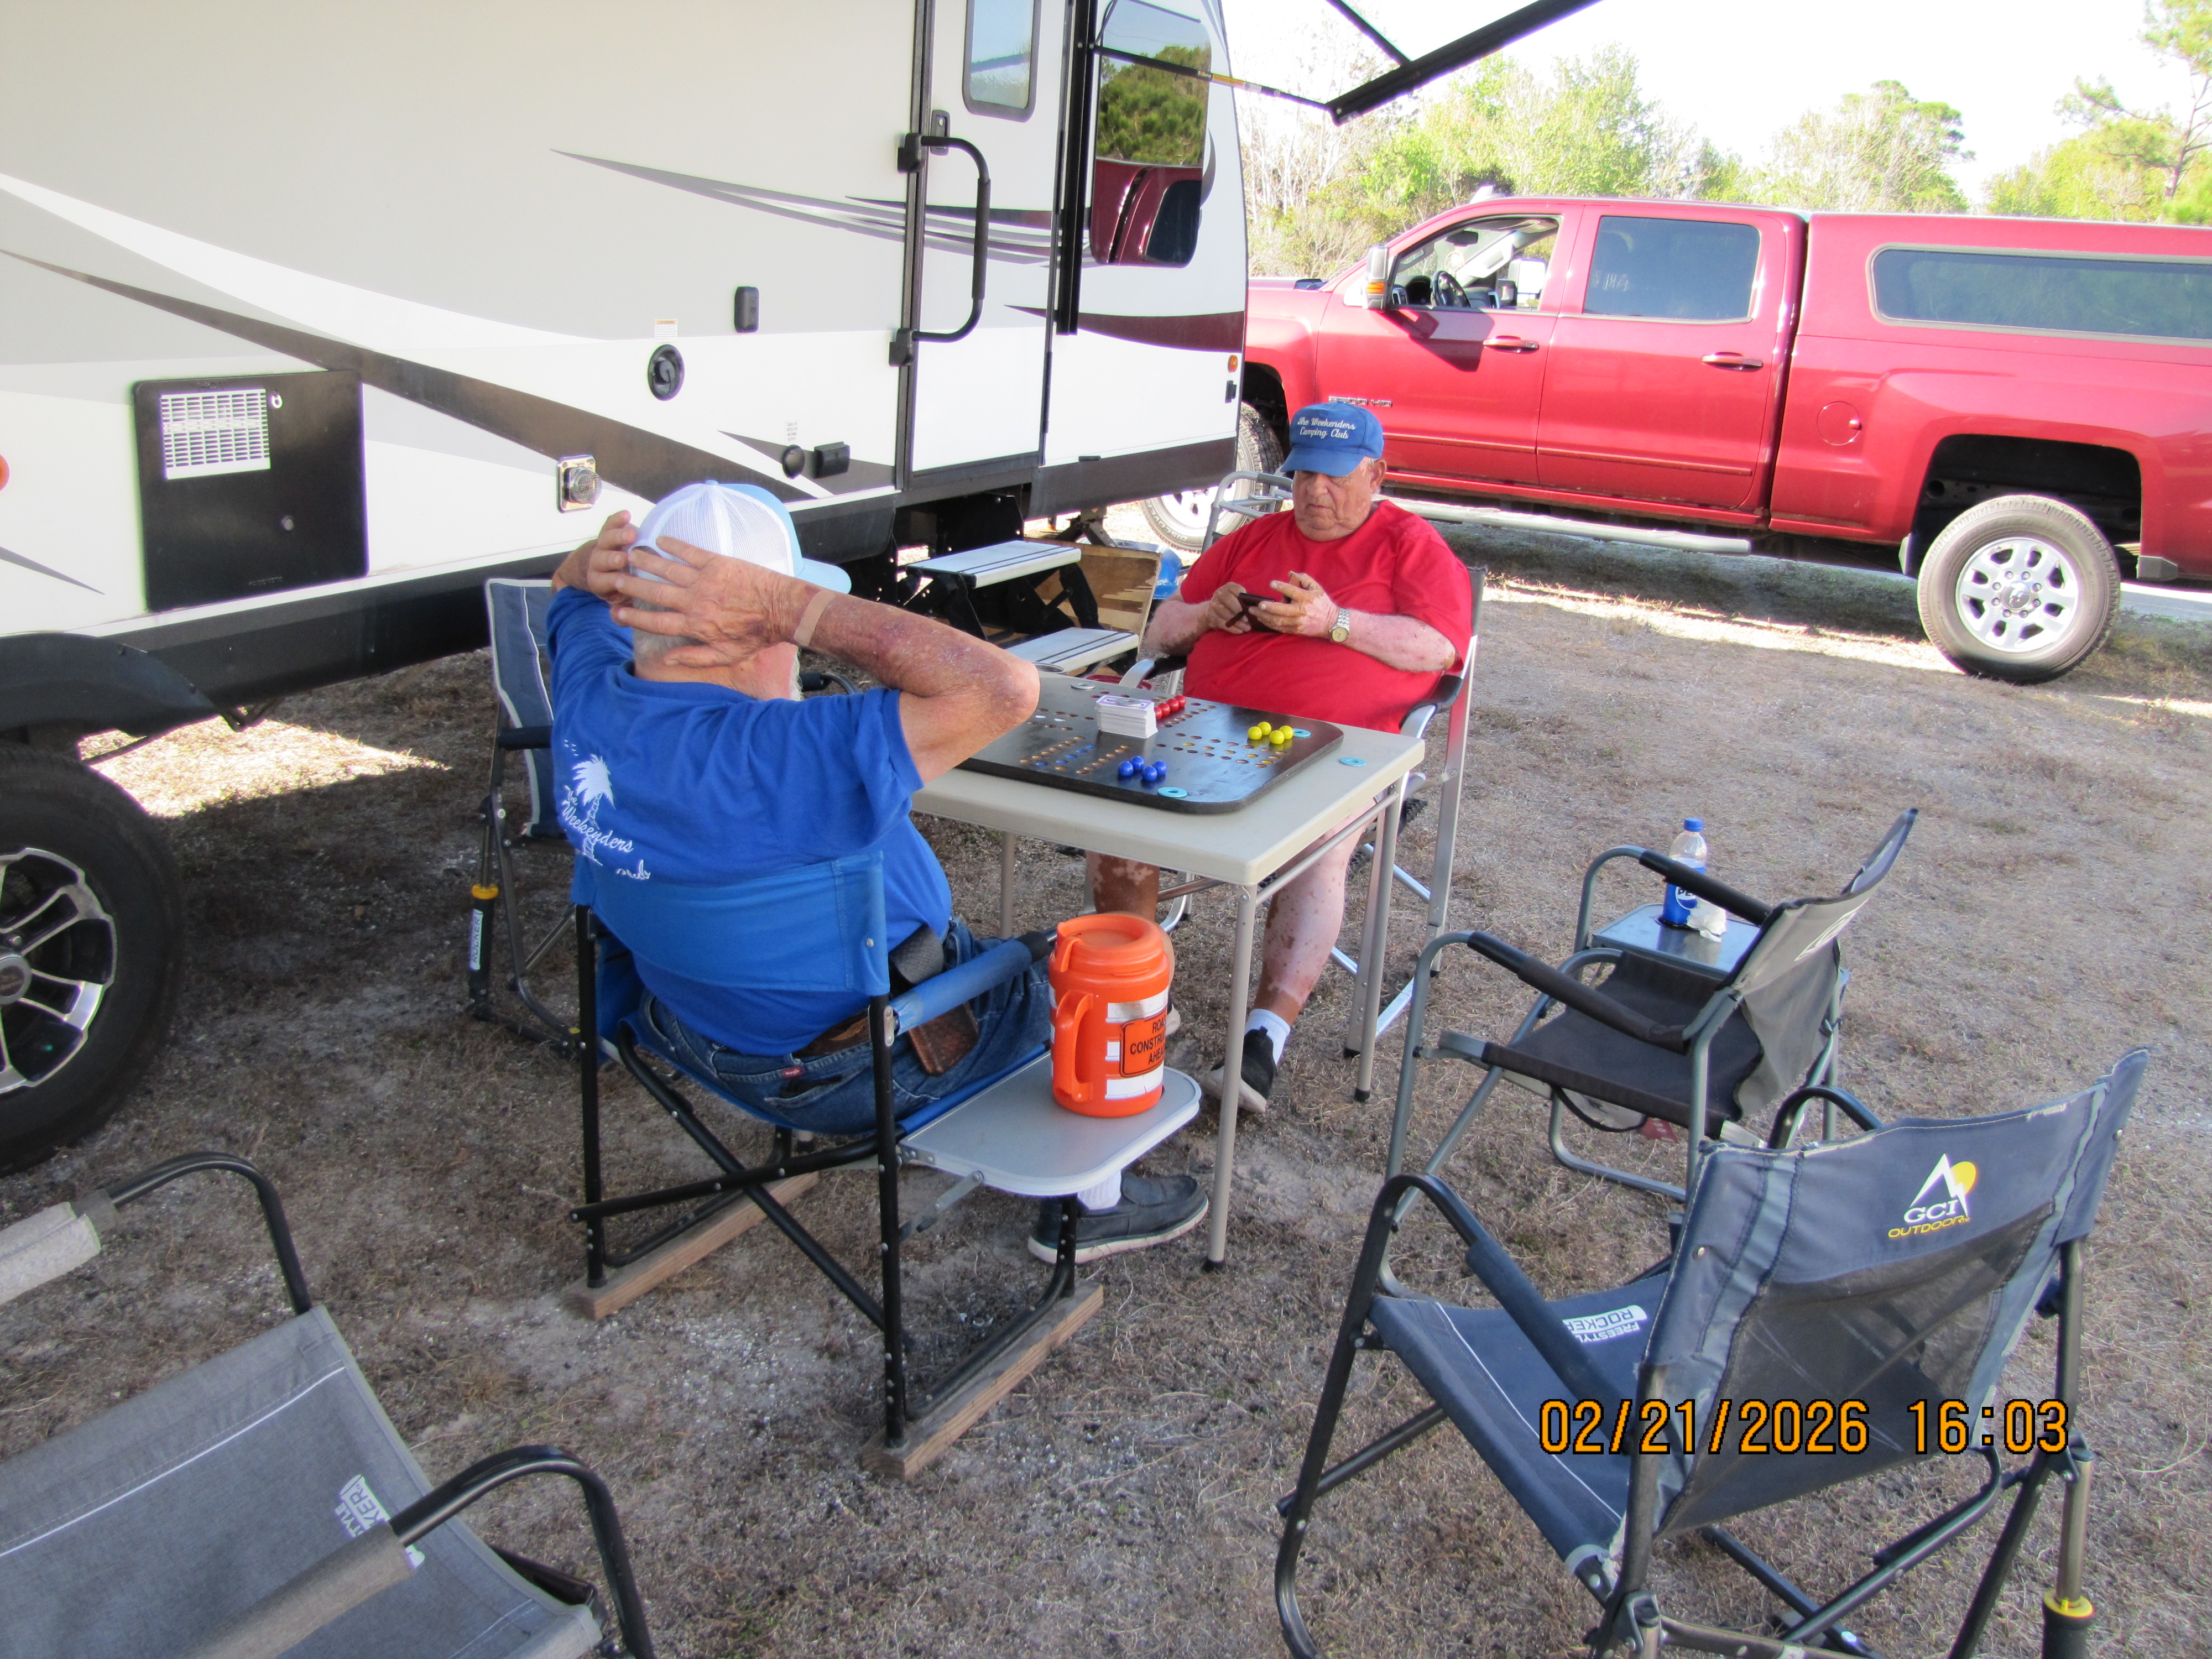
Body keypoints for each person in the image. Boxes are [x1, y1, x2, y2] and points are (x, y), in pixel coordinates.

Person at [547, 481, 1207, 1264]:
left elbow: (564, 589)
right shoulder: (779, 754)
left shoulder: (587, 698)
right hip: (863, 1065)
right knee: (1085, 992)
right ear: (754, 627)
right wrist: (793, 605)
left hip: (691, 1028)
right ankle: (1093, 1207)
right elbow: (1006, 688)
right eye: (782, 617)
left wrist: (599, 565)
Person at [1092, 404, 1470, 1109]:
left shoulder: (1408, 545)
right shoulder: (1255, 537)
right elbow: (1156, 632)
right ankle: (1139, 1003)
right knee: (1118, 832)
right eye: (1302, 477)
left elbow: (1439, 648)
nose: (1313, 494)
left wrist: (1336, 624)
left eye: (1332, 479)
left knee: (1317, 849)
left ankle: (1264, 1036)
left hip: (1344, 744)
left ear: (1375, 474)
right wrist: (1207, 617)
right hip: (1211, 724)